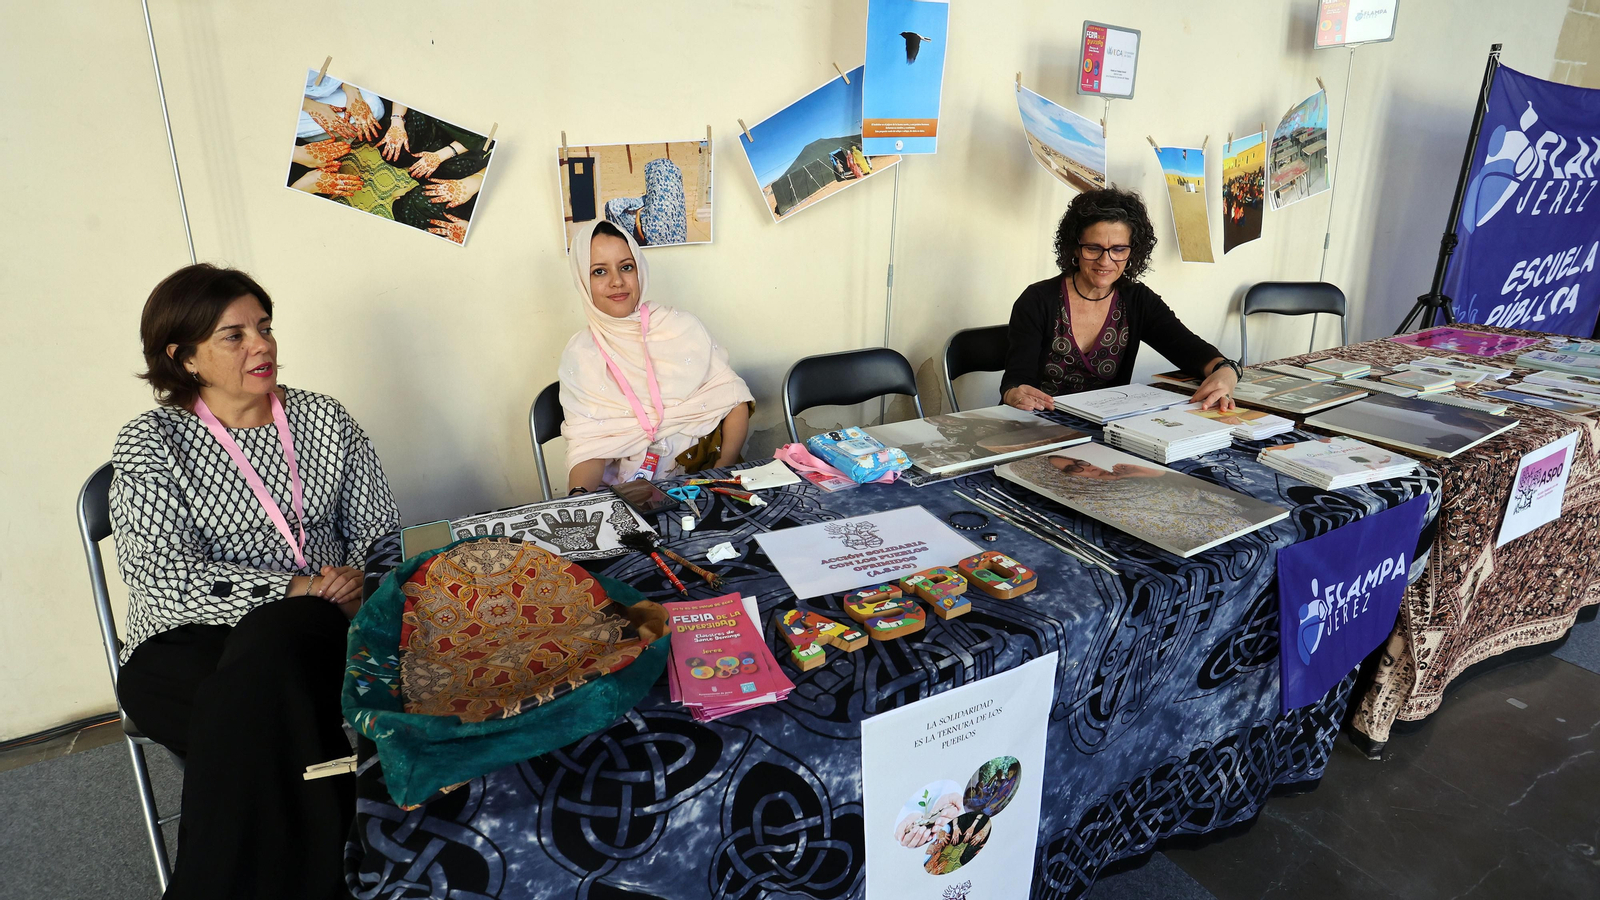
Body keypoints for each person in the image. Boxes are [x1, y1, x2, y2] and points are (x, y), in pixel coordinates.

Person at [111, 264, 400, 900]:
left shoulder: (324, 420)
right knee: (268, 720)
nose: (261, 345)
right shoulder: (151, 442)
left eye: (264, 327)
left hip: (317, 633)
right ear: (183, 358)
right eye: (234, 336)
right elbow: (160, 577)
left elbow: (381, 535)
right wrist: (294, 588)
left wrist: (353, 580)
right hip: (183, 646)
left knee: (272, 665)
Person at [1000, 187, 1240, 411]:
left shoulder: (1137, 300)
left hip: (1106, 427)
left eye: (1118, 249)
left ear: (1132, 251)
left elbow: (1190, 351)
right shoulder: (1038, 300)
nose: (1105, 261)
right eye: (1093, 248)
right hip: (1038, 421)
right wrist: (1013, 393)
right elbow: (1016, 380)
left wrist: (1227, 372)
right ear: (1075, 247)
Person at [559, 220, 753, 492]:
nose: (617, 281)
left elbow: (735, 400)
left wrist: (720, 473)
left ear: (640, 269)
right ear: (582, 280)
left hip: (703, 477)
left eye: (626, 267)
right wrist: (581, 500)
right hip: (630, 494)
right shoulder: (580, 355)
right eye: (599, 271)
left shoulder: (680, 327)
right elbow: (587, 448)